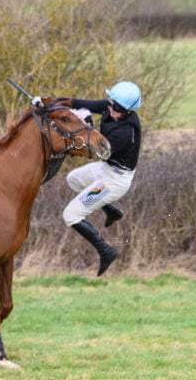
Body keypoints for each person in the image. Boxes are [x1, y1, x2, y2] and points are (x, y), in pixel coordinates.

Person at [55, 81, 143, 276]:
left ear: (128, 111)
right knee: (73, 179)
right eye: (111, 103)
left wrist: (87, 123)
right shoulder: (112, 107)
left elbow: (98, 150)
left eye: (117, 108)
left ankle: (106, 251)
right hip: (105, 169)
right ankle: (111, 211)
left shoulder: (126, 132)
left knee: (71, 215)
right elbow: (80, 102)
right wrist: (50, 102)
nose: (111, 109)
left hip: (113, 181)